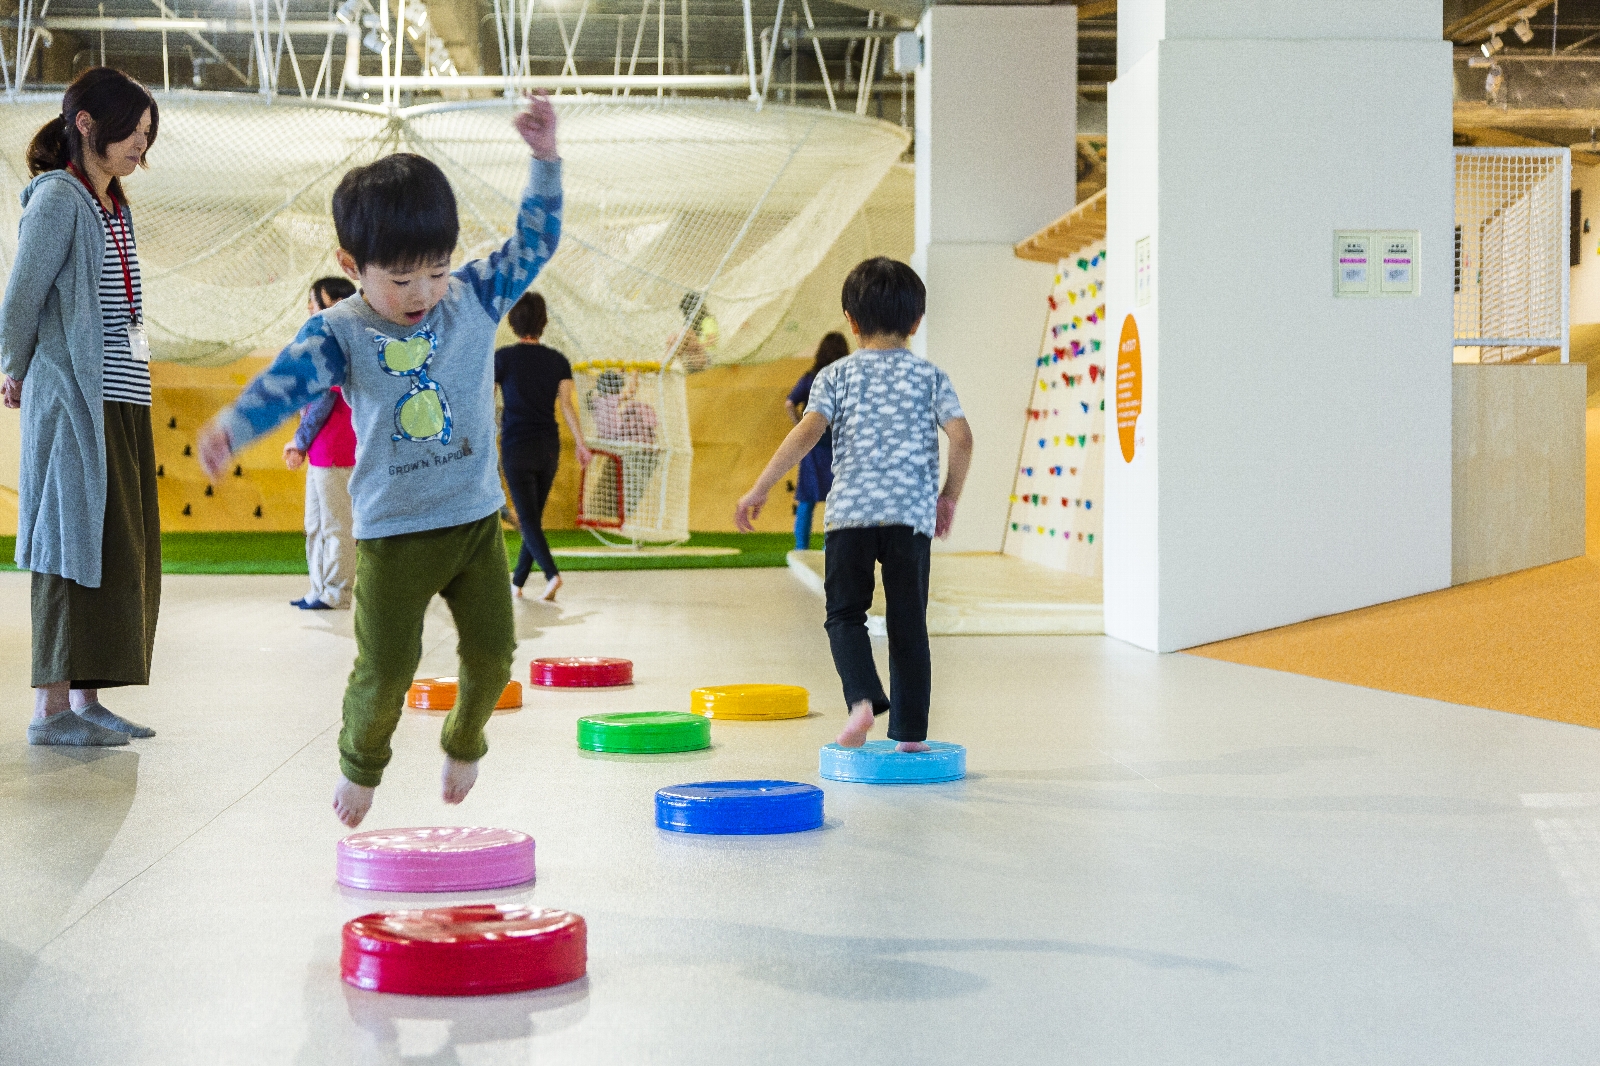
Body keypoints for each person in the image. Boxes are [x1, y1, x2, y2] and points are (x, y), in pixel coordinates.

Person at [195, 92, 563, 828]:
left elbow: (535, 239)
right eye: (400, 279)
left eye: (436, 270)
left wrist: (545, 159)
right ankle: (361, 766)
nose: (423, 292)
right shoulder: (339, 330)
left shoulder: (476, 297)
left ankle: (465, 739)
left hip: (473, 524)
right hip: (393, 533)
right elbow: (284, 383)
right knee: (388, 668)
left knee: (494, 654)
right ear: (350, 264)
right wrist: (235, 426)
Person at [735, 258, 973, 753]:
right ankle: (909, 735)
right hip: (909, 517)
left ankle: (861, 700)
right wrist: (947, 497)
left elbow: (806, 433)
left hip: (850, 517)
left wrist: (759, 489)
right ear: (916, 322)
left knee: (845, 615)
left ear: (851, 319)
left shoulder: (834, 376)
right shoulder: (930, 377)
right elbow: (963, 437)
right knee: (909, 624)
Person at [1, 68, 161, 747]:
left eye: (149, 138)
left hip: (121, 402)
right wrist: (11, 368)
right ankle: (50, 710)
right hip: (75, 401)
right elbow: (21, 297)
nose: (141, 151)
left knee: (115, 552)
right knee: (69, 543)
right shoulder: (60, 198)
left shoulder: (110, 202)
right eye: (134, 133)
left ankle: (88, 699)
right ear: (88, 123)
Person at [495, 290, 590, 601]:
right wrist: (580, 443)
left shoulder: (503, 358)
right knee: (532, 515)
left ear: (512, 323)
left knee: (529, 517)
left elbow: (487, 399)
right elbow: (567, 406)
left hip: (516, 446)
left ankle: (551, 574)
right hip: (549, 447)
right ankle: (518, 583)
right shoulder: (558, 361)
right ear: (544, 323)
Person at [283, 275, 358, 610]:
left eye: (314, 301)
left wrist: (299, 441)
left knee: (337, 526)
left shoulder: (339, 342)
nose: (309, 308)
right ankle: (318, 590)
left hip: (337, 449)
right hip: (320, 451)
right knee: (314, 525)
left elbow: (325, 400)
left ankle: (337, 593)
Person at [785, 331, 849, 550]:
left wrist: (799, 426)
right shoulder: (844, 378)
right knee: (837, 500)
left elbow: (789, 403)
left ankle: (800, 548)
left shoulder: (810, 377)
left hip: (811, 445)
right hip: (838, 446)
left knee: (806, 499)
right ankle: (828, 548)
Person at [587, 368, 659, 521]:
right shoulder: (612, 399)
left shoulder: (595, 399)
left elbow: (602, 387)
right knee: (635, 412)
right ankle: (625, 512)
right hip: (615, 439)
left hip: (602, 439)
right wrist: (634, 373)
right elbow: (631, 391)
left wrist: (617, 373)